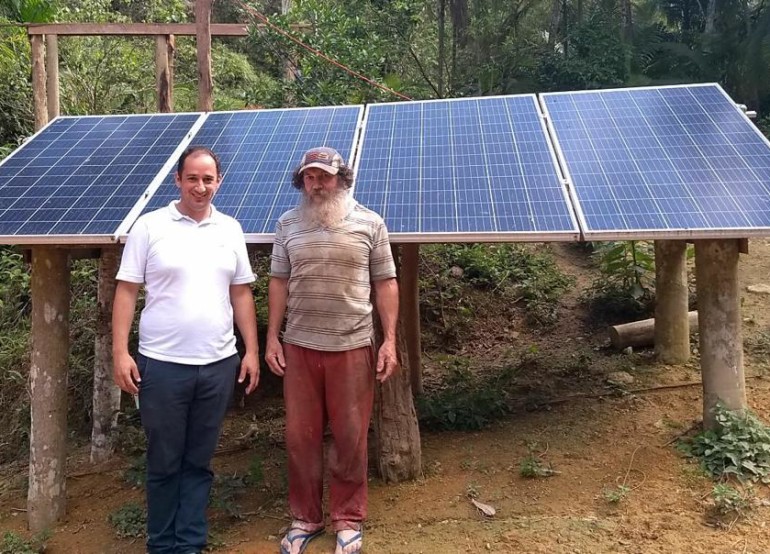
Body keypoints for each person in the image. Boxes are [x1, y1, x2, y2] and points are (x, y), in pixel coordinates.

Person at [112, 146, 259, 554]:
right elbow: (126, 291)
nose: (200, 186)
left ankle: (190, 543)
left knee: (199, 461)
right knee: (163, 461)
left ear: (219, 182)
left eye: (208, 179)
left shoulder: (230, 228)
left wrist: (251, 350)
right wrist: (120, 353)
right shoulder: (150, 226)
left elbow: (242, 293)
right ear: (178, 180)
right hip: (161, 366)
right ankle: (161, 544)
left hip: (218, 364)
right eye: (192, 178)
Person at [265, 146, 399, 554]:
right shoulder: (288, 224)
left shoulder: (370, 223)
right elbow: (278, 282)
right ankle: (305, 518)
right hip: (300, 346)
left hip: (353, 345)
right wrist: (272, 336)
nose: (316, 183)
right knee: (300, 438)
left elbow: (386, 283)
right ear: (301, 181)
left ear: (343, 178)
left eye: (324, 175)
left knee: (351, 436)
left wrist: (390, 339)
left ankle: (348, 518)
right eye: (309, 176)